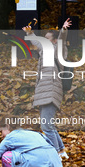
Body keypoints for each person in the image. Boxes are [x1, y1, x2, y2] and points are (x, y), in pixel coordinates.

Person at [22, 18, 72, 159]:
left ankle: (55, 154)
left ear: (54, 41)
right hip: (45, 90)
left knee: (46, 126)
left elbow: (62, 39)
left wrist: (63, 30)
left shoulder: (58, 50)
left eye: (47, 39)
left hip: (51, 89)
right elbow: (37, 43)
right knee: (48, 125)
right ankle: (61, 152)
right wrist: (30, 33)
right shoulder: (45, 50)